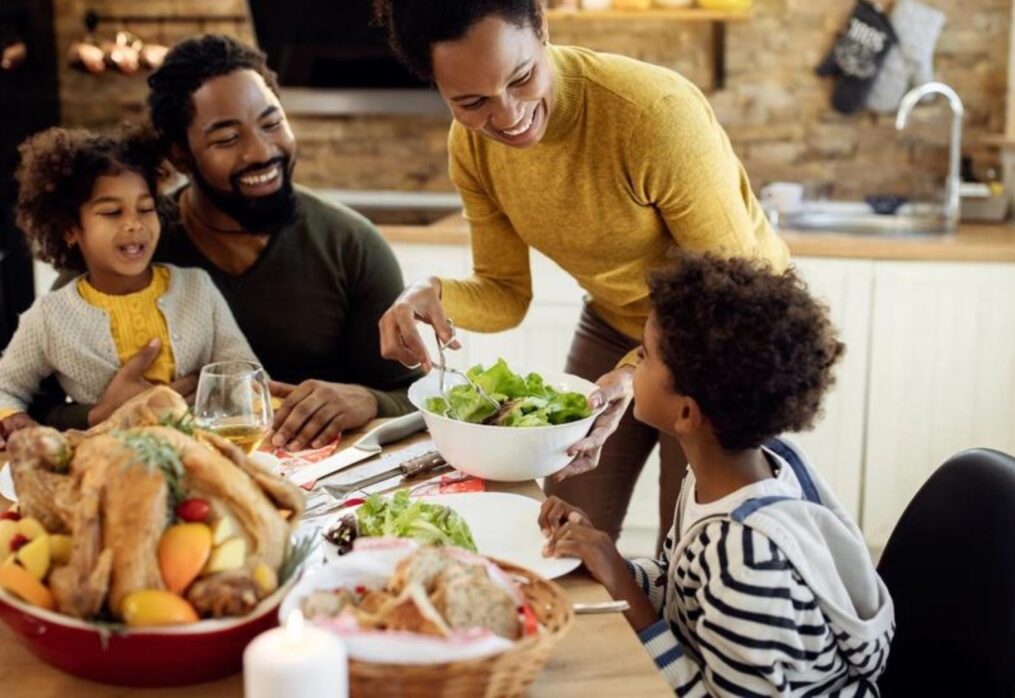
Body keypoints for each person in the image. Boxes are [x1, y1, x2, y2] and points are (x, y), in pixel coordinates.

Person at [373, 0, 791, 546]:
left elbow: (736, 293)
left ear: (543, 27)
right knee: (564, 527)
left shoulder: (652, 116)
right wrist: (430, 293)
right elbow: (505, 294)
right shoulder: (473, 147)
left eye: (522, 78)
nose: (506, 117)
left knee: (692, 543)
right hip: (618, 320)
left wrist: (637, 369)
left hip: (728, 335)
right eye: (471, 101)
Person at [539, 252, 895, 694]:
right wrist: (609, 560)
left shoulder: (746, 560)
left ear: (686, 413)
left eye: (645, 358)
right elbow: (681, 586)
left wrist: (626, 593)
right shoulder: (730, 476)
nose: (631, 367)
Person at [43, 35, 420, 451]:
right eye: (226, 139)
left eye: (272, 123)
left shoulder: (350, 244)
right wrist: (100, 413)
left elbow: (416, 398)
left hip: (330, 495)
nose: (261, 152)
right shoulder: (127, 246)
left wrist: (368, 400)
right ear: (181, 155)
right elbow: (20, 404)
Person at [0, 125, 257, 445]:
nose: (134, 223)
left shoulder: (197, 289)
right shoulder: (49, 318)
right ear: (70, 230)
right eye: (112, 212)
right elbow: (6, 386)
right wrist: (13, 417)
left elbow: (244, 377)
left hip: (201, 451)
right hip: (107, 462)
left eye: (145, 209)